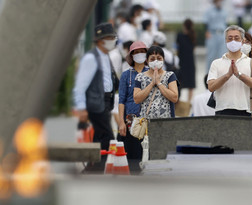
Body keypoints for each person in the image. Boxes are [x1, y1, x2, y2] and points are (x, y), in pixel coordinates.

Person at [73, 23, 119, 172]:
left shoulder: (106, 56)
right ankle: (96, 168)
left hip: (106, 101)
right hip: (96, 102)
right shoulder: (90, 58)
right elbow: (80, 85)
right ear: (100, 40)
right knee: (107, 136)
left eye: (113, 37)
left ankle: (93, 167)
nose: (113, 40)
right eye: (109, 38)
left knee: (100, 137)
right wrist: (81, 108)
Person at [207, 25, 252, 116]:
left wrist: (239, 75)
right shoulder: (216, 63)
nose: (233, 41)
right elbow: (211, 87)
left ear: (242, 41)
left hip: (245, 110)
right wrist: (227, 75)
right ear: (225, 40)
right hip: (222, 110)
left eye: (236, 38)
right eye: (230, 38)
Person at [117, 41, 148, 174]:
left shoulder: (152, 73)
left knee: (146, 151)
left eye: (142, 51)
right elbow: (121, 100)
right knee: (131, 152)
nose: (139, 54)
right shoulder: (126, 75)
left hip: (147, 118)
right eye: (136, 52)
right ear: (131, 55)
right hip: (130, 119)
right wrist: (121, 122)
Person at [134, 46, 179, 118]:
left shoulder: (170, 75)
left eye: (159, 58)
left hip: (166, 121)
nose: (156, 61)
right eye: (152, 59)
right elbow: (136, 99)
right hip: (145, 121)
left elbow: (174, 98)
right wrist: (152, 83)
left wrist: (158, 83)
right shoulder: (140, 77)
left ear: (163, 59)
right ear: (147, 61)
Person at [204, 0, 227, 73]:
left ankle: (221, 73)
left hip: (222, 34)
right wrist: (206, 32)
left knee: (223, 55)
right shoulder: (209, 11)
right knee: (211, 55)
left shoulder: (224, 11)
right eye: (219, 0)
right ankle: (208, 74)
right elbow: (205, 22)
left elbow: (225, 23)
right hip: (212, 33)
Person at [176, 18, 196, 102]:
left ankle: (178, 100)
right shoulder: (193, 35)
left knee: (180, 82)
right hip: (190, 62)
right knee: (190, 84)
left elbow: (177, 49)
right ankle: (188, 101)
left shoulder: (179, 35)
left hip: (182, 61)